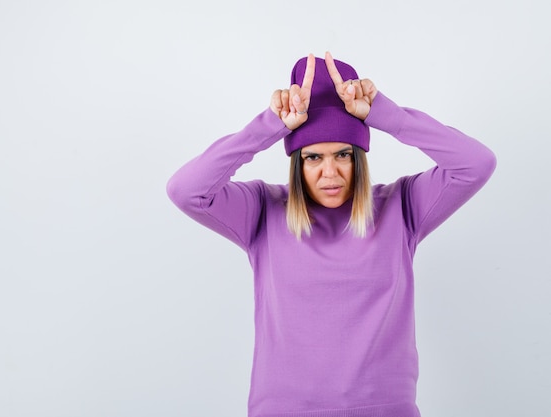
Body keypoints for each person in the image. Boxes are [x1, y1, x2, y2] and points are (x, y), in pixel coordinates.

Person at [166, 52, 496, 417]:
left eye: (343, 154)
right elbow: (186, 190)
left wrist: (386, 115)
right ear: (296, 162)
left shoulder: (400, 208)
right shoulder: (263, 210)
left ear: (359, 158)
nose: (330, 173)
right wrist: (269, 126)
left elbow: (476, 164)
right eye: (313, 158)